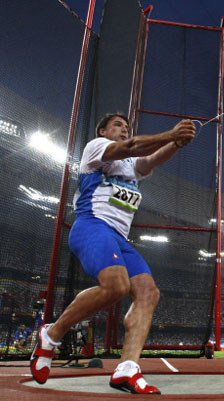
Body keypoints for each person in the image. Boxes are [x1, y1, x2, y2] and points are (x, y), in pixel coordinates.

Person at [30, 113, 196, 395]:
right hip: (92, 225)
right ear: (102, 130)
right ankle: (52, 333)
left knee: (148, 293)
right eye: (117, 125)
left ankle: (127, 369)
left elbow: (151, 158)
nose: (123, 129)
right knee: (117, 286)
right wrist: (171, 134)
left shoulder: (132, 166)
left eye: (127, 126)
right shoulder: (96, 148)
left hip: (118, 238)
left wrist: (177, 143)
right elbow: (131, 146)